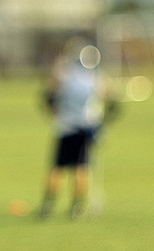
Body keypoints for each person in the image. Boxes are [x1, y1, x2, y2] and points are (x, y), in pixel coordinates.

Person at [39, 44, 110, 219]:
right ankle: (77, 206)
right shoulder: (95, 79)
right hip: (85, 128)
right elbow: (110, 99)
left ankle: (48, 205)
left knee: (58, 168)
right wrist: (102, 123)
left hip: (66, 127)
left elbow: (48, 97)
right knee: (82, 167)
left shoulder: (65, 76)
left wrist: (54, 111)